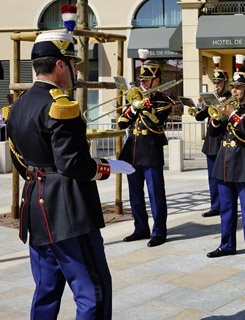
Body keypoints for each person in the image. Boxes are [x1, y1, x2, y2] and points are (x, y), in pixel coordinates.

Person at [6, 32, 134, 319]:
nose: (76, 71)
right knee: (93, 290)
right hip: (69, 210)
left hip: (36, 206)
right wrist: (107, 166)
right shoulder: (61, 105)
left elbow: (19, 161)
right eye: (73, 65)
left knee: (46, 291)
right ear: (60, 66)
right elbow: (73, 165)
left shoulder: (17, 105)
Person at [207, 68, 245, 265]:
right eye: (233, 87)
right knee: (226, 209)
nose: (235, 91)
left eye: (239, 88)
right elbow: (213, 134)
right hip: (224, 162)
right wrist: (217, 118)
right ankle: (227, 245)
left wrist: (232, 114)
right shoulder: (228, 107)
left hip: (244, 164)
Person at [119, 54, 174, 247]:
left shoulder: (164, 101)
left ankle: (159, 231)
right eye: (141, 80)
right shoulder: (135, 99)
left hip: (151, 152)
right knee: (135, 195)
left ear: (156, 81)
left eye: (146, 80)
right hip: (132, 151)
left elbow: (156, 123)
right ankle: (140, 228)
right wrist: (134, 108)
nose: (142, 83)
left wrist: (146, 105)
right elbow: (121, 123)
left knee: (156, 194)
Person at [195, 56, 231, 217]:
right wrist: (203, 104)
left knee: (224, 177)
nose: (216, 86)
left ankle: (227, 205)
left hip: (224, 141)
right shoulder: (211, 98)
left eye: (219, 83)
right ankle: (215, 206)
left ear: (226, 83)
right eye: (214, 83)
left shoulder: (230, 98)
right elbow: (198, 117)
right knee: (212, 177)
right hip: (211, 143)